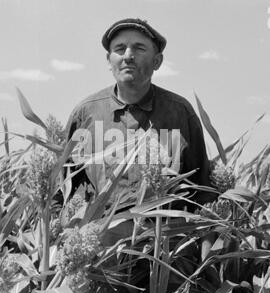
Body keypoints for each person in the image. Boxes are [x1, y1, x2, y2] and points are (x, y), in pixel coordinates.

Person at [64, 18, 215, 211]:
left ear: (157, 61)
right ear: (109, 61)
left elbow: (203, 190)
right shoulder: (86, 114)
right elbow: (63, 190)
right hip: (102, 237)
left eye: (139, 48)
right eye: (119, 48)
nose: (128, 55)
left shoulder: (180, 113)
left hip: (167, 237)